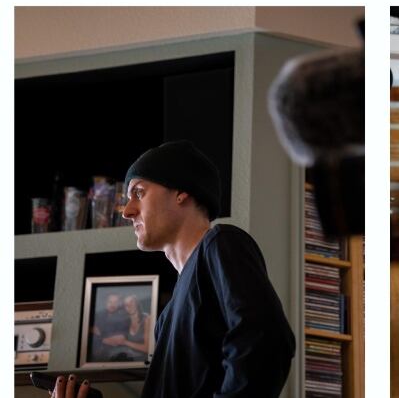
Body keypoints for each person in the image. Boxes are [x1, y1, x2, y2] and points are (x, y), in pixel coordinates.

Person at [53, 140, 296, 398]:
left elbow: (265, 341)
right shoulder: (166, 317)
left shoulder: (220, 244)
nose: (127, 212)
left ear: (181, 191)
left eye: (138, 193)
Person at [90, 292, 130, 361]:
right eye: (110, 302)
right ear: (106, 302)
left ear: (119, 304)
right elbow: (90, 330)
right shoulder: (99, 314)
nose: (112, 305)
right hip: (94, 354)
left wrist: (99, 337)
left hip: (113, 355)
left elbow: (117, 341)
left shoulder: (124, 318)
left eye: (115, 302)